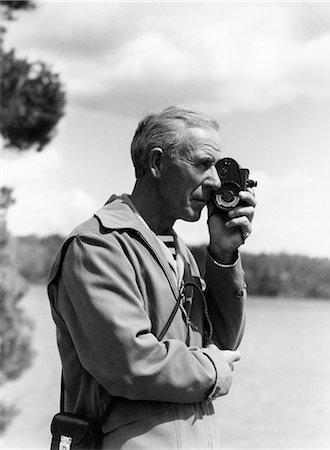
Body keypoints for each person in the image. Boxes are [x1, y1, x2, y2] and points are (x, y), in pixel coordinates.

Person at [48, 105, 256, 449]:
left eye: (217, 168)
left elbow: (221, 344)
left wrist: (222, 254)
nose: (216, 182)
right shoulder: (97, 246)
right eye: (203, 164)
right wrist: (214, 371)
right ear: (157, 163)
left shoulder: (179, 250)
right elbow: (130, 363)